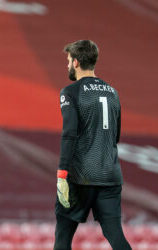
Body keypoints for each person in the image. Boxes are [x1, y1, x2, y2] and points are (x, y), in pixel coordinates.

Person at [54, 40, 131, 250]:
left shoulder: (70, 92)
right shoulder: (113, 92)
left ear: (76, 62)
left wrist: (62, 173)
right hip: (110, 175)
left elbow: (69, 133)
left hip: (80, 176)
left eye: (68, 60)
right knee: (115, 235)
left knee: (63, 237)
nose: (67, 65)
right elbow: (116, 136)